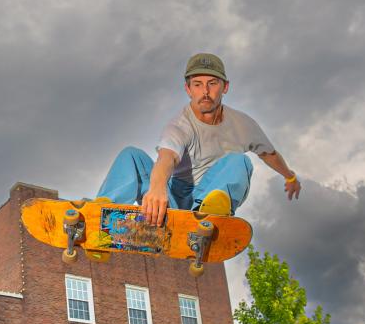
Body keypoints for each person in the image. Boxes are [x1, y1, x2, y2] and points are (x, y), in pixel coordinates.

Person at [95, 53, 301, 225]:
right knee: (131, 155)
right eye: (197, 84)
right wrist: (157, 187)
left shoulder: (244, 124)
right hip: (172, 199)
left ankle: (209, 212)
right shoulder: (180, 125)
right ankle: (102, 215)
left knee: (240, 161)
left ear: (225, 87)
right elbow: (167, 157)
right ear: (188, 89)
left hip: (211, 195)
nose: (205, 92)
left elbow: (269, 154)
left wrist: (289, 177)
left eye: (212, 84)